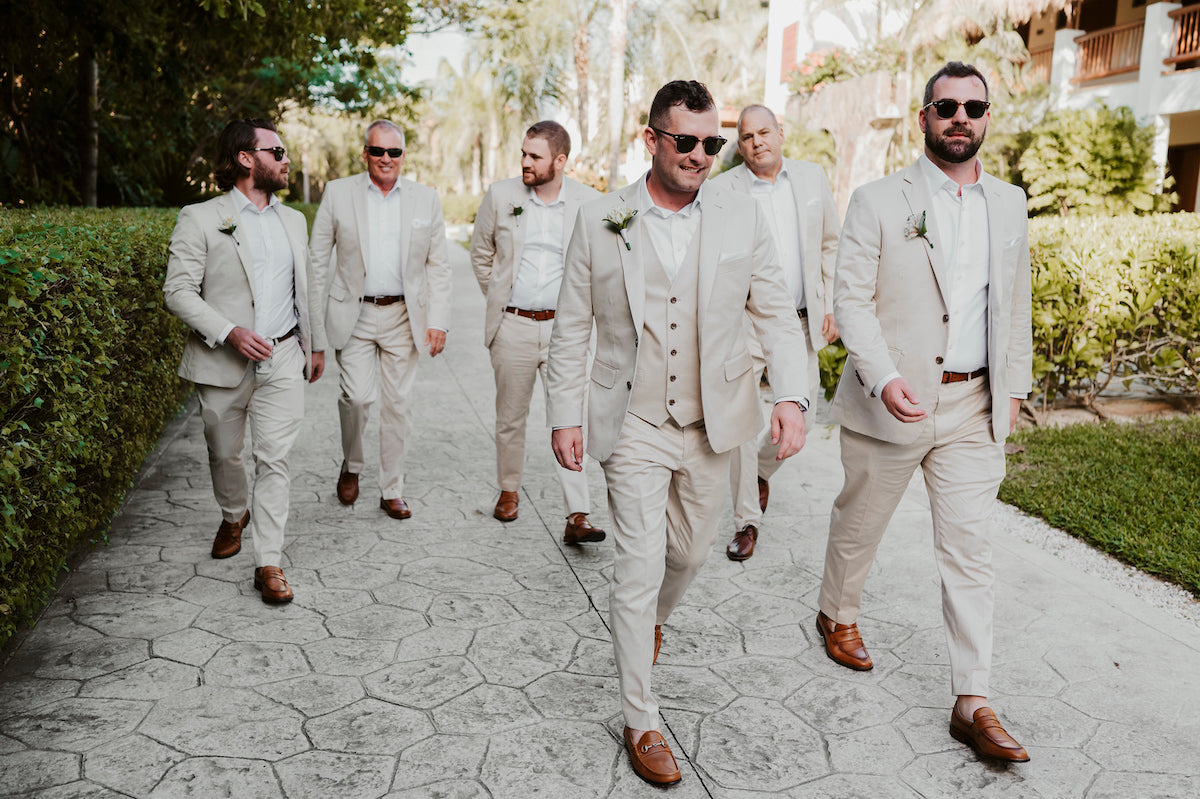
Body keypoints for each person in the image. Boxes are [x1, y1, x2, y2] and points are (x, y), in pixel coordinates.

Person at [547, 80, 811, 785]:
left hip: (712, 421)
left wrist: (792, 394)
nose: (700, 155)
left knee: (690, 553)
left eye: (711, 143)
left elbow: (777, 314)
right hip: (632, 421)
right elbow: (573, 326)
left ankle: (652, 619)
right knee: (636, 570)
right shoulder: (602, 218)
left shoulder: (739, 217)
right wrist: (564, 415)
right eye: (686, 141)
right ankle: (642, 717)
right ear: (652, 140)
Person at [816, 62, 1033, 762]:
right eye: (946, 106)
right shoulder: (881, 200)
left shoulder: (1010, 202)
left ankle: (973, 698)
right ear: (925, 118)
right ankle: (837, 611)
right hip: (894, 403)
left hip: (974, 404)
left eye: (973, 106)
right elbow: (851, 299)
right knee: (860, 523)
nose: (960, 117)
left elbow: (1015, 301)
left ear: (988, 117)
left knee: (970, 550)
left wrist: (1016, 385)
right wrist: (881, 379)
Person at [164, 118, 325, 603]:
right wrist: (229, 332)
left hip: (284, 355)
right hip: (222, 360)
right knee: (224, 453)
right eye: (276, 152)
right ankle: (234, 514)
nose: (286, 159)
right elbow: (177, 292)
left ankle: (268, 562)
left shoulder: (293, 220)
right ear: (244, 158)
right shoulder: (200, 217)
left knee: (273, 458)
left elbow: (307, 287)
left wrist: (315, 345)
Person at [712, 104, 840, 561]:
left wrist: (833, 303)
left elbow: (830, 243)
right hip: (745, 324)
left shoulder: (811, 178)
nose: (756, 142)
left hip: (802, 321)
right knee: (745, 421)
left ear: (780, 133)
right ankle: (747, 520)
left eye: (764, 132)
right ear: (740, 144)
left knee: (800, 412)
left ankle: (760, 471)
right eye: (746, 137)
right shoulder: (723, 189)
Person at [469, 121, 606, 543]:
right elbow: (481, 253)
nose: (525, 162)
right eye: (523, 154)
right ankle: (509, 490)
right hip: (513, 324)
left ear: (560, 161)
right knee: (510, 417)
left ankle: (577, 514)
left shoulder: (589, 203)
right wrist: (500, 297)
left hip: (567, 332)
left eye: (535, 156)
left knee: (570, 416)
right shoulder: (502, 195)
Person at [309, 120, 453, 519]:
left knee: (399, 405)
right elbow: (317, 261)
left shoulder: (426, 199)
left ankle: (392, 488)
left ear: (403, 155)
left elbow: (439, 266)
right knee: (356, 399)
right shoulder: (339, 194)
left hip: (403, 316)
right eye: (377, 151)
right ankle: (352, 464)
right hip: (353, 314)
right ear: (365, 154)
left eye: (394, 152)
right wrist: (314, 330)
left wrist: (438, 320)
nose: (386, 159)